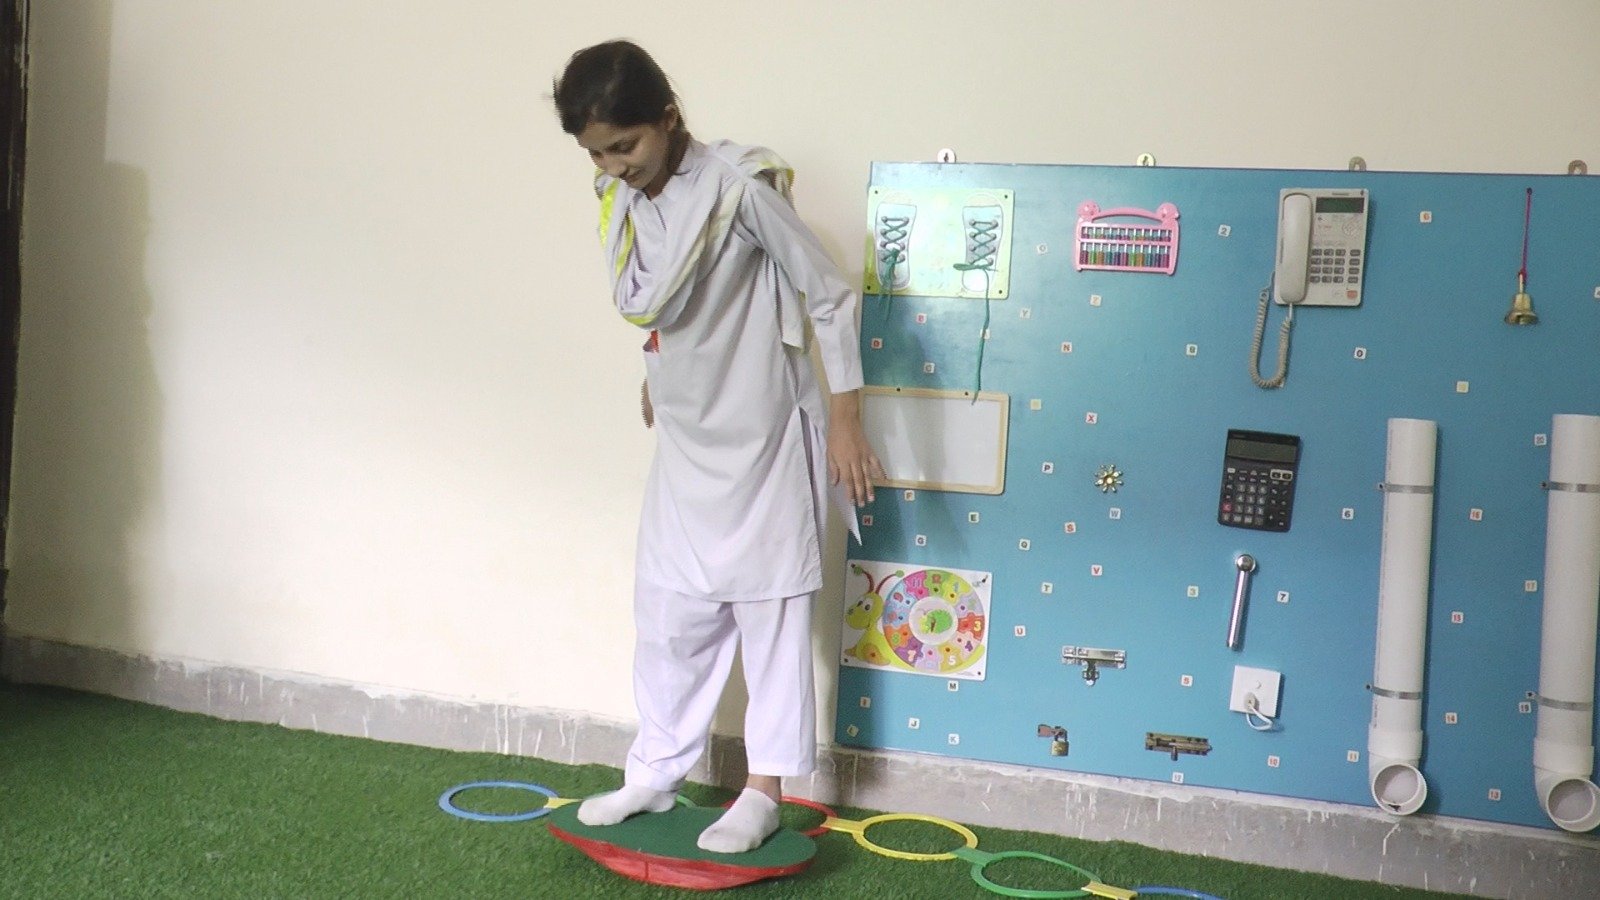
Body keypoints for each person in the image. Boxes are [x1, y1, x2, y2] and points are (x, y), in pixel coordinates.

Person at [552, 40, 885, 854]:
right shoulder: (622, 199)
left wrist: (846, 419)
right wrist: (657, 371)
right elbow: (667, 307)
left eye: (624, 145)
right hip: (689, 435)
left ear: (668, 118)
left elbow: (829, 296)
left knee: (770, 614)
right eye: (596, 152)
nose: (613, 166)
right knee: (670, 611)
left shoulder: (740, 191)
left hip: (765, 434)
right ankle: (653, 773)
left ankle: (764, 791)